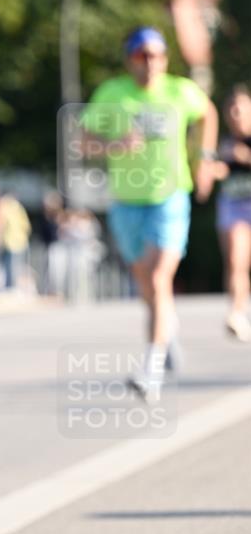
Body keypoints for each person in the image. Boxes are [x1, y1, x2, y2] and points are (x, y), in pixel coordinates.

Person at [81, 26, 218, 401]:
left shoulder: (179, 90)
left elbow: (208, 112)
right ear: (130, 59)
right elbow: (84, 141)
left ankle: (151, 368)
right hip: (126, 201)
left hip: (169, 196)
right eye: (143, 56)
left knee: (158, 279)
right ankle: (168, 332)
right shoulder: (112, 94)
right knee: (146, 284)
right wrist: (115, 144)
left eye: (157, 55)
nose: (151, 62)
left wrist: (204, 159)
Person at [215, 84, 251, 341]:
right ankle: (237, 312)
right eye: (232, 109)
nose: (236, 113)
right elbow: (219, 171)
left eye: (241, 108)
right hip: (233, 206)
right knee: (236, 261)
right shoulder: (224, 143)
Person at [0, 192, 31, 291]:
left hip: (12, 242)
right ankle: (13, 286)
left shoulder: (6, 208)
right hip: (18, 241)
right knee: (15, 265)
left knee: (11, 266)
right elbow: (26, 226)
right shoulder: (19, 208)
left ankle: (10, 286)